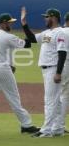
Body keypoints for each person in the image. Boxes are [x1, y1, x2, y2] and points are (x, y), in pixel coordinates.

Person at [21, 7, 68, 137]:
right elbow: (32, 39)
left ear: (53, 18)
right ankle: (58, 128)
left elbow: (62, 52)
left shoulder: (60, 33)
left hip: (53, 68)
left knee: (50, 100)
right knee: (56, 101)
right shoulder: (47, 32)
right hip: (47, 69)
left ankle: (46, 130)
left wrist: (58, 72)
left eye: (46, 16)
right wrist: (24, 23)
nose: (44, 18)